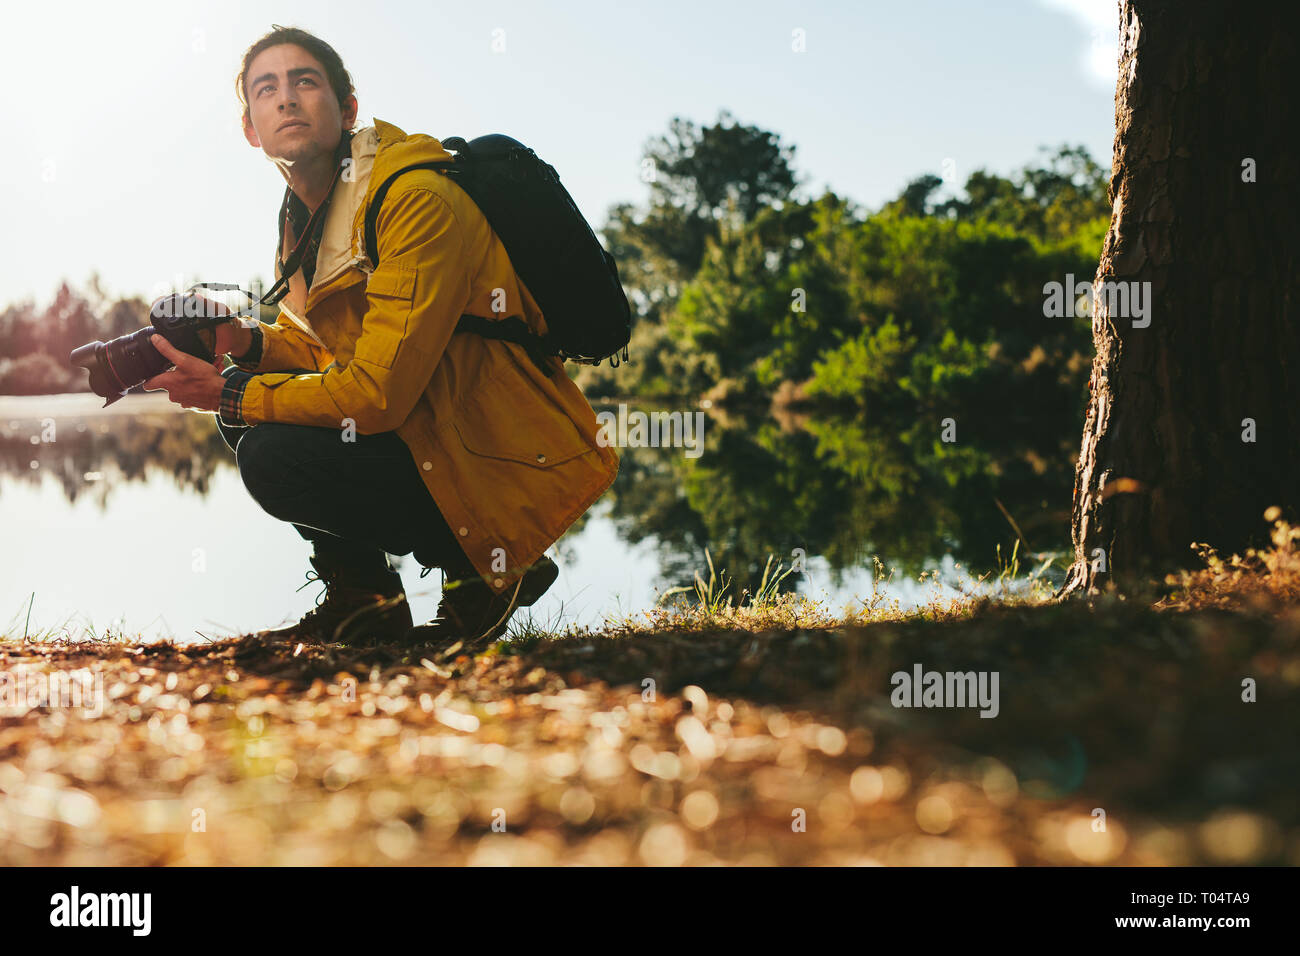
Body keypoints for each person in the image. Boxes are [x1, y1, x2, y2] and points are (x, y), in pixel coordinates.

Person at [141, 25, 619, 649]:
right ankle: (364, 604)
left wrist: (229, 393)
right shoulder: (308, 218)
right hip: (430, 434)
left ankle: (485, 570)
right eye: (266, 89)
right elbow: (326, 349)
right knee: (251, 404)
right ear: (251, 129)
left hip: (497, 453)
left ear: (348, 110)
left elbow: (375, 397)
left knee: (268, 449)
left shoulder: (413, 200)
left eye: (305, 82)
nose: (286, 98)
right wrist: (242, 340)